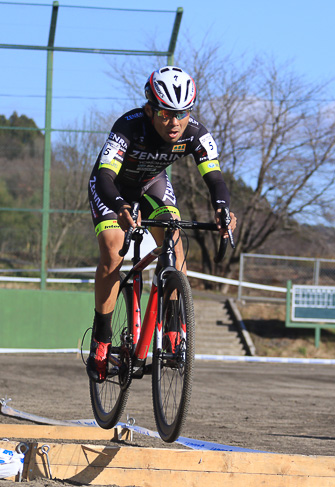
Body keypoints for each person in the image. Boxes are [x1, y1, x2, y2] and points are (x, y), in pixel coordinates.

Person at [86, 65, 237, 382]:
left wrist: (223, 210)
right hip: (113, 190)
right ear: (149, 109)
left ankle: (171, 325)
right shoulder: (128, 127)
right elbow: (104, 177)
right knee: (114, 251)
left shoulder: (196, 133)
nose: (174, 123)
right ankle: (101, 338)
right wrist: (120, 207)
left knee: (174, 237)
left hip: (152, 184)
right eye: (166, 114)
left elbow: (215, 179)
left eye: (181, 113)